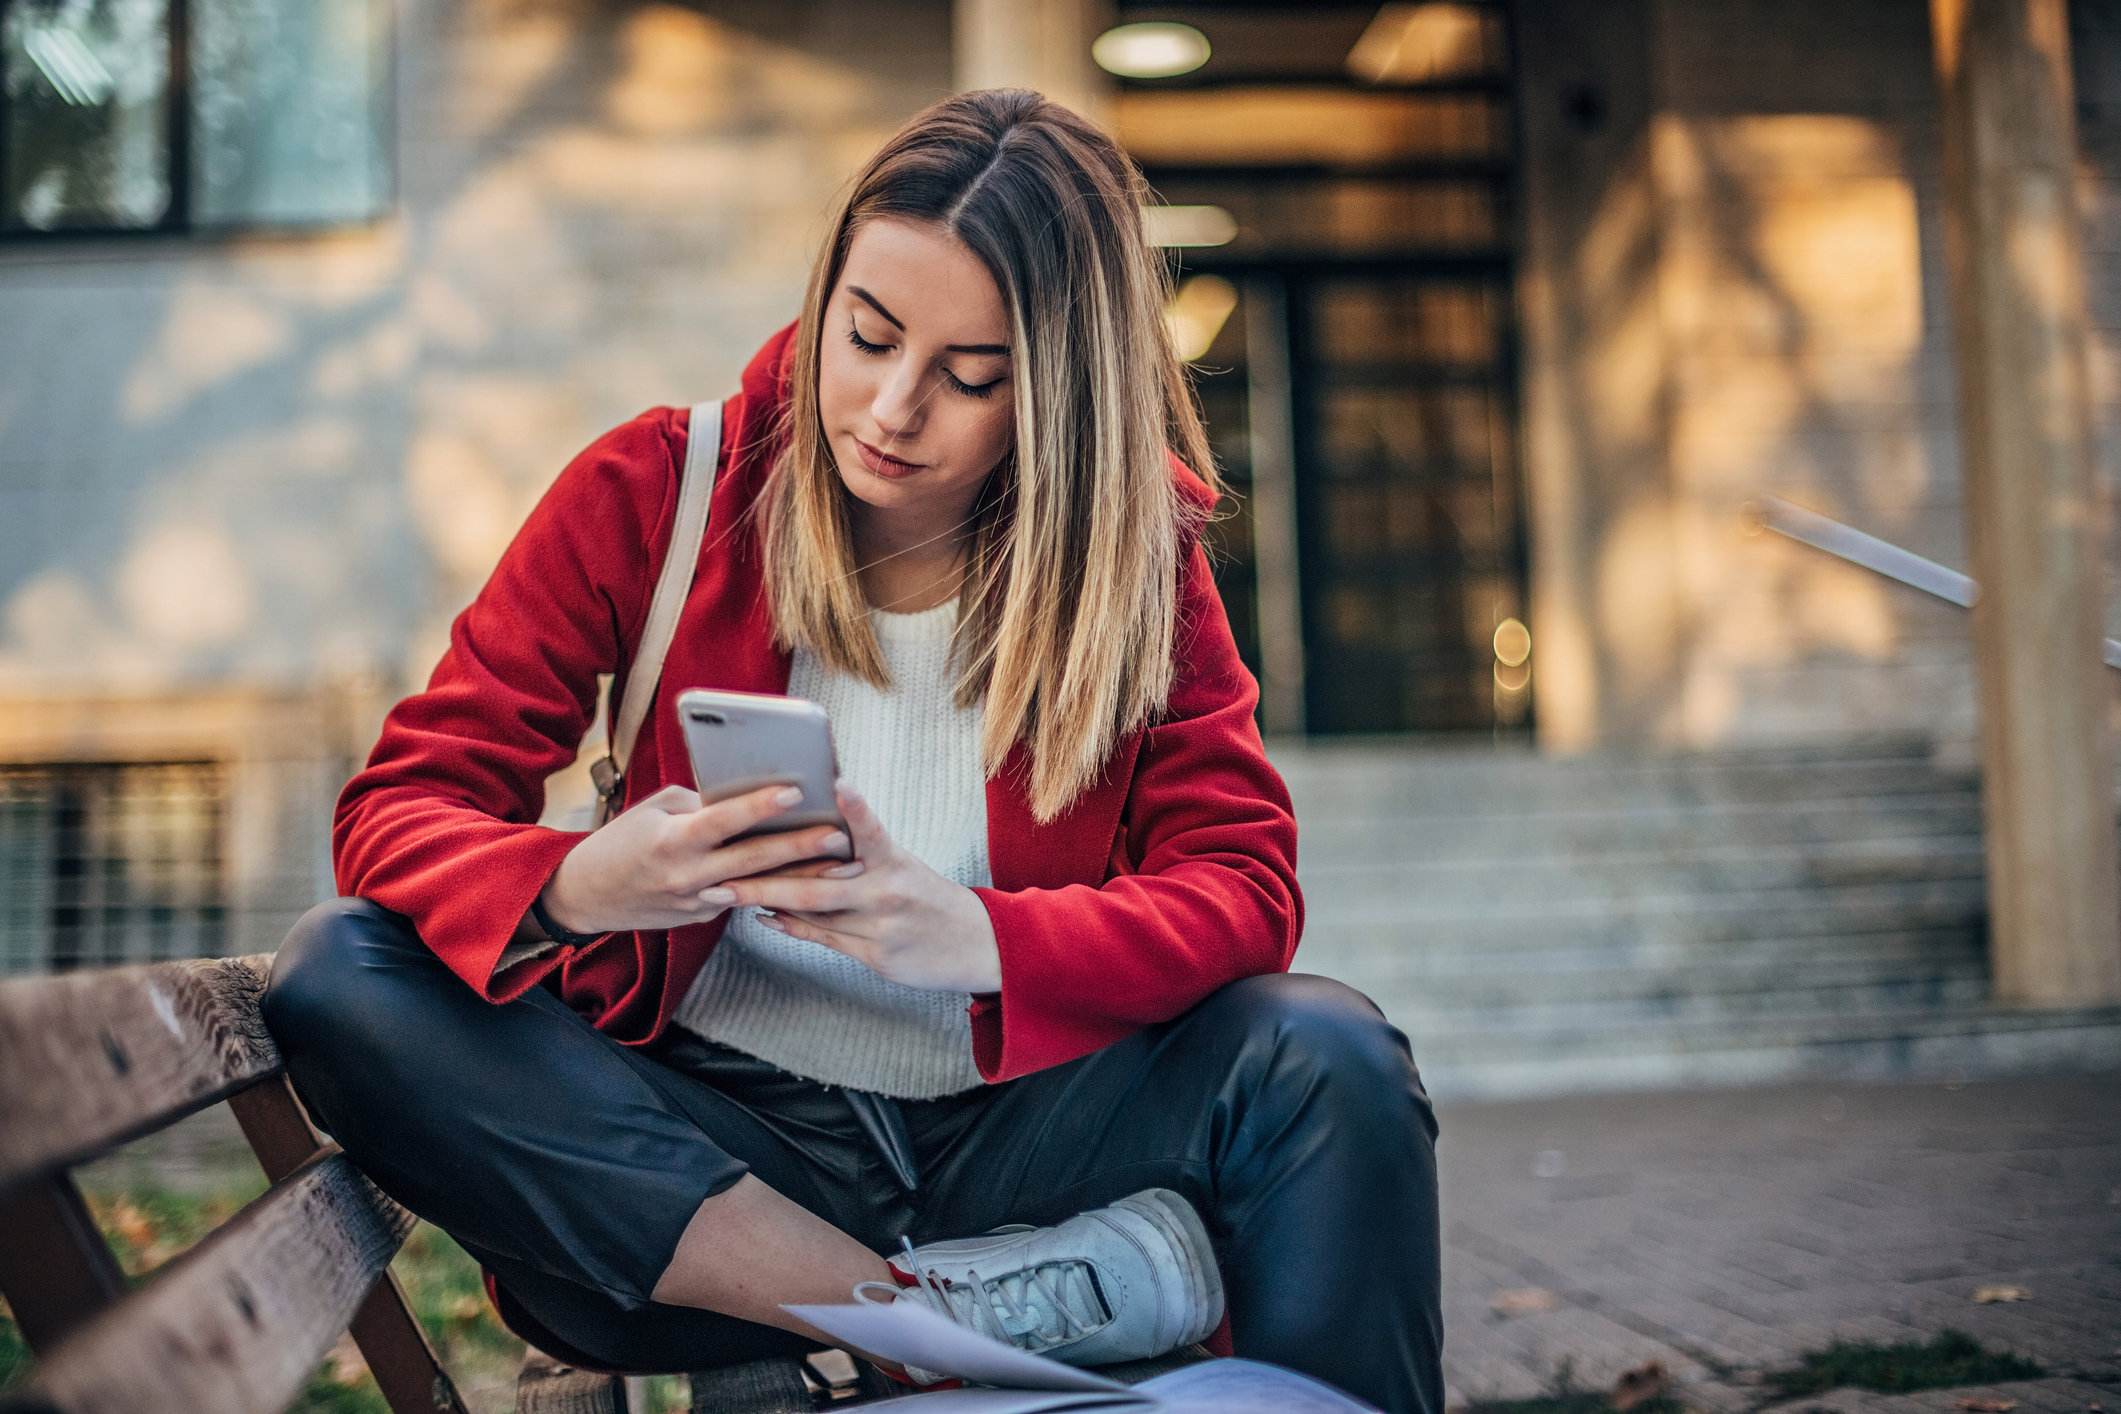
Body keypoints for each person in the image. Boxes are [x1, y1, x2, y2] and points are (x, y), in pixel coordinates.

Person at [262, 88, 1442, 1413]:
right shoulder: (659, 489)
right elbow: (401, 804)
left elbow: (1246, 884)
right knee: (338, 970)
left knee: (1326, 1057)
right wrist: (588, 883)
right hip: (722, 1160)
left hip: (1028, 1136)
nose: (890, 406)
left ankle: (982, 1301)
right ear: (825, 292)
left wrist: (978, 937)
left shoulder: (1135, 557)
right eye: (866, 334)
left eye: (970, 373)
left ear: (1059, 386)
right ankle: (906, 1318)